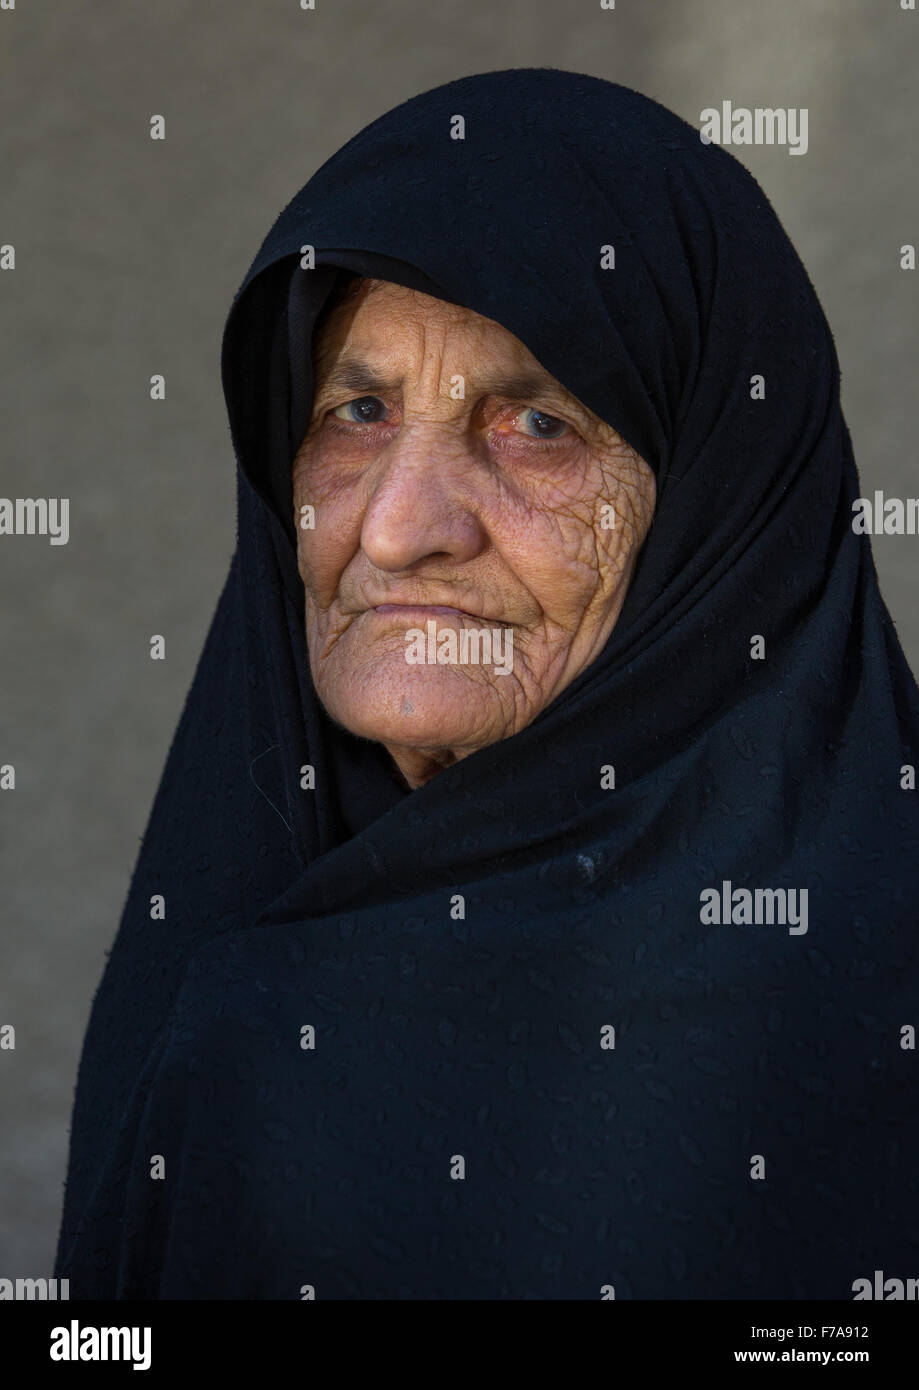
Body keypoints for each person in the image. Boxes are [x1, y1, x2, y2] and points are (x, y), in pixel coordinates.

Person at [56, 67, 919, 1300]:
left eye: (537, 426)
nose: (402, 528)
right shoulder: (239, 1007)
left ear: (717, 507)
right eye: (356, 408)